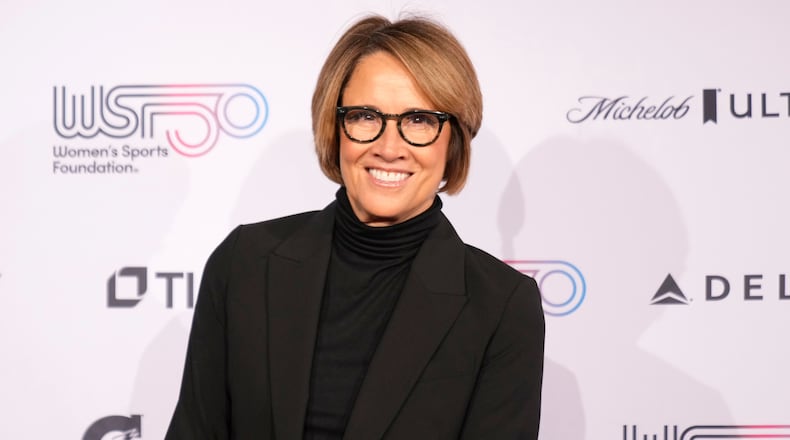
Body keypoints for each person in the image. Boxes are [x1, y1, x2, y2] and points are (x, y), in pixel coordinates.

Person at [166, 14, 544, 440]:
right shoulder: (245, 262)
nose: (389, 147)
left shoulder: (500, 306)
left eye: (419, 120)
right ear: (336, 126)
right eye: (366, 116)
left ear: (453, 139)